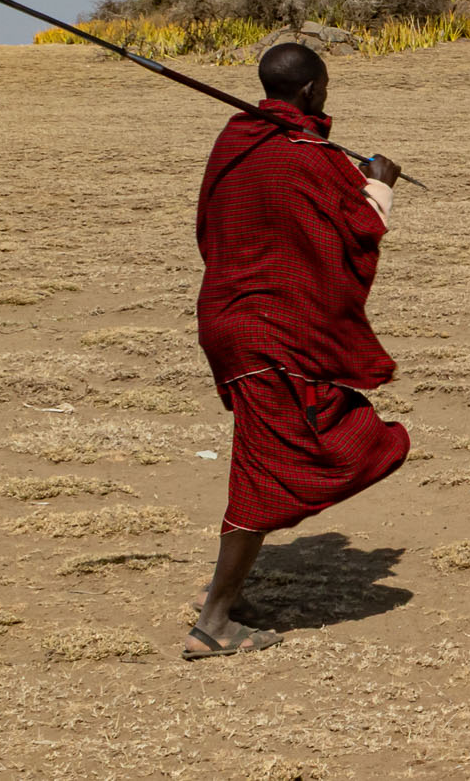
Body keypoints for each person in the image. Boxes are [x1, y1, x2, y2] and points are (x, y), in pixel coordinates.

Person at [185, 41, 409, 659]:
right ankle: (214, 623)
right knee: (267, 471)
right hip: (265, 335)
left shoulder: (236, 139)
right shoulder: (308, 156)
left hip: (230, 320)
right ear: (311, 90)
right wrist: (381, 185)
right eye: (326, 85)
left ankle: (227, 599)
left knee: (270, 456)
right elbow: (355, 234)